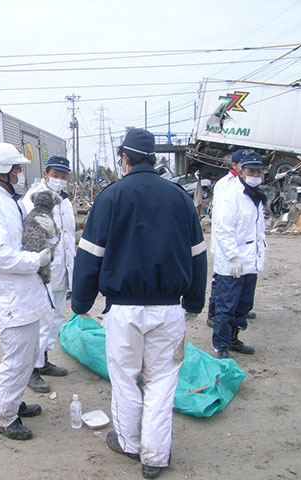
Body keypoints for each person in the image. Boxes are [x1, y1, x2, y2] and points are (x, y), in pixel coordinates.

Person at [71, 129, 207, 479]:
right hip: (168, 308)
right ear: (154, 159)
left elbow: (89, 256)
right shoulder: (180, 198)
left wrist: (81, 302)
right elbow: (197, 256)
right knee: (162, 381)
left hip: (123, 308)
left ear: (125, 159)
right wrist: (193, 302)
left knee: (125, 378)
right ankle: (155, 456)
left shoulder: (110, 197)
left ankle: (130, 443)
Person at [0, 142, 54, 441]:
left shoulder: (10, 201)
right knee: (18, 357)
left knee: (28, 353)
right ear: (1, 172)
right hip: (9, 297)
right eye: (16, 168)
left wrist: (46, 234)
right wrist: (36, 260)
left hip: (23, 295)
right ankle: (5, 417)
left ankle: (13, 402)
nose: (20, 172)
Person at [22, 156, 76, 393]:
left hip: (62, 269)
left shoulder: (65, 202)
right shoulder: (33, 199)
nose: (60, 180)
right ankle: (32, 370)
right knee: (42, 321)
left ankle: (43, 361)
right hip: (43, 270)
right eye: (56, 174)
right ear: (46, 173)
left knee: (56, 318)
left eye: (64, 176)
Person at [211, 152, 267, 358]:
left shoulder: (257, 196)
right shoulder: (231, 195)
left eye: (258, 171)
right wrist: (233, 257)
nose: (255, 175)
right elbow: (223, 229)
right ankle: (221, 344)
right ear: (241, 172)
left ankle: (234, 338)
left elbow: (258, 229)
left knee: (244, 305)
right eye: (251, 171)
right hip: (232, 261)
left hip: (251, 260)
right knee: (227, 305)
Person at [207, 149, 249, 328]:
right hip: (224, 239)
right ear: (234, 165)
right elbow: (222, 216)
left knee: (239, 279)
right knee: (221, 280)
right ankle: (213, 312)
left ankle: (236, 308)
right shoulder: (226, 183)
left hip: (239, 240)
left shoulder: (245, 183)